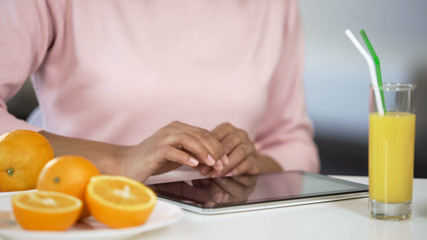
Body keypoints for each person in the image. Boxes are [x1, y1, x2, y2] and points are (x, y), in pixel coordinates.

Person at [0, 0, 319, 184]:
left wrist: (255, 165)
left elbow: (293, 144)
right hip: (85, 220)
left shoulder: (274, 5)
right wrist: (119, 161)